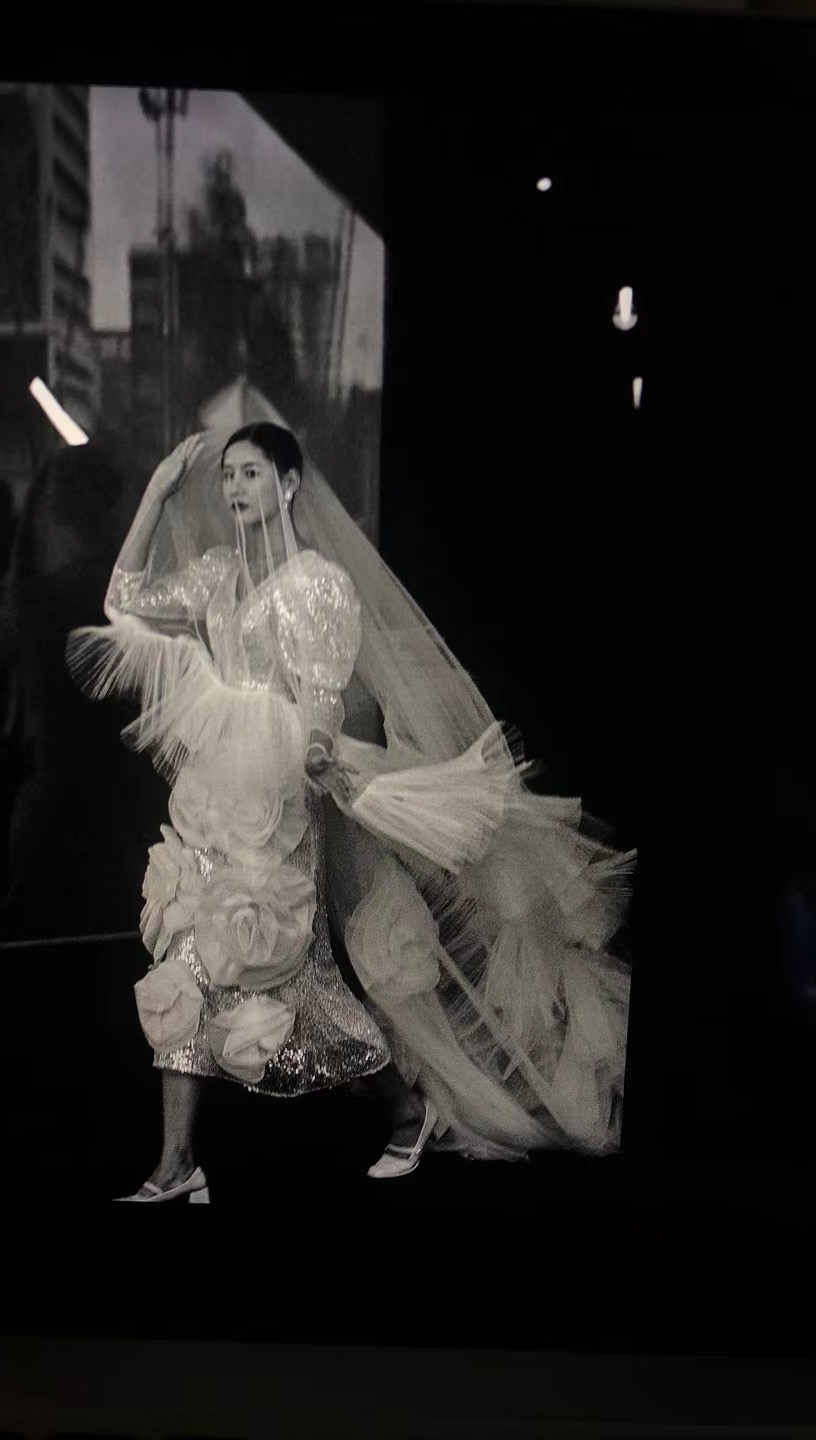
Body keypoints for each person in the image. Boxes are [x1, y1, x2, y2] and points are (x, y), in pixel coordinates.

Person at [67, 423, 634, 1202]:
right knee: (189, 962)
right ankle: (178, 1164)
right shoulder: (218, 572)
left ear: (288, 485)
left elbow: (324, 691)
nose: (234, 488)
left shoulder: (317, 582)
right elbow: (123, 599)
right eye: (227, 475)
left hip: (278, 799)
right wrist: (160, 489)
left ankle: (404, 1110)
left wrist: (316, 746)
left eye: (251, 473)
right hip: (213, 796)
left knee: (288, 983)